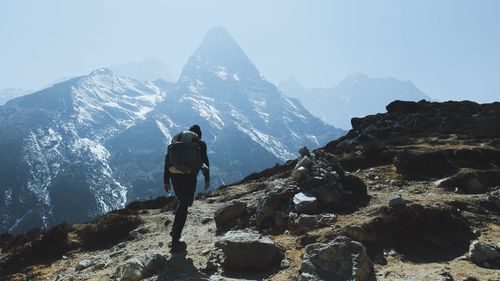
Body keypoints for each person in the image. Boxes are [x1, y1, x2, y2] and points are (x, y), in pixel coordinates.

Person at [163, 124, 210, 252]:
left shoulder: (176, 141)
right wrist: (207, 178)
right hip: (189, 176)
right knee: (185, 203)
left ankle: (174, 232)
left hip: (174, 175)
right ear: (198, 135)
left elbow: (168, 159)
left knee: (183, 202)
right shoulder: (200, 144)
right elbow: (204, 161)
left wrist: (166, 180)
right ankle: (175, 240)